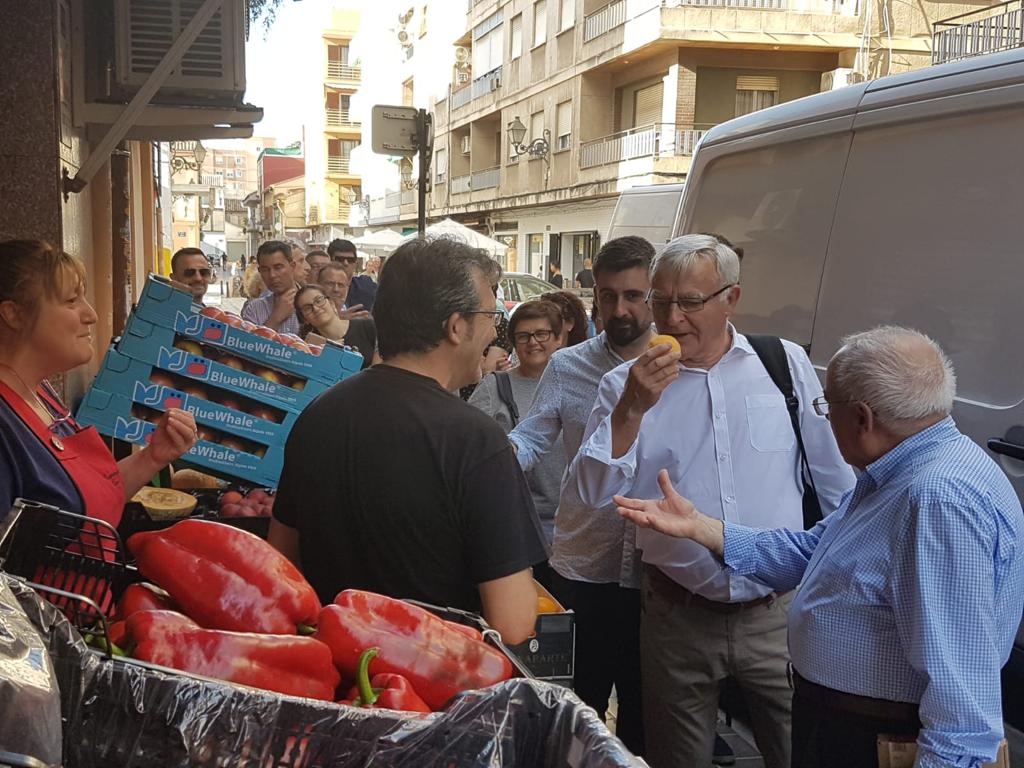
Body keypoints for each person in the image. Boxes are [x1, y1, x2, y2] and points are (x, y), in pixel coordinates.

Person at [615, 326, 1024, 768]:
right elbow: (814, 552)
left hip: (872, 737)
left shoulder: (936, 500)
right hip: (846, 724)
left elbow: (962, 712)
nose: (824, 418)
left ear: (863, 418)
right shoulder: (901, 470)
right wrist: (702, 527)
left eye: (827, 406)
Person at [569, 234, 855, 768]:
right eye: (661, 301)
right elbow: (591, 493)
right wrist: (631, 409)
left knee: (802, 752)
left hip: (779, 613)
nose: (671, 318)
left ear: (732, 298)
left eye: (690, 302)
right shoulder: (623, 385)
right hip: (677, 617)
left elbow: (835, 482)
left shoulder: (782, 364)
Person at [269, 236, 548, 645]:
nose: (494, 330)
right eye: (490, 315)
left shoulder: (318, 414)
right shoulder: (476, 440)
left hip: (331, 674)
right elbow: (514, 621)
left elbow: (280, 563)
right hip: (430, 692)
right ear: (456, 327)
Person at [507, 236, 657, 755]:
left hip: (655, 568)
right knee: (579, 709)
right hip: (583, 563)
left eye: (634, 295)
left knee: (644, 712)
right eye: (608, 295)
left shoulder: (679, 364)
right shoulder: (568, 366)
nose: (620, 309)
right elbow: (532, 435)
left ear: (654, 295)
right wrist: (495, 457)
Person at [0, 240, 198, 527]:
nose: (91, 315)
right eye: (71, 301)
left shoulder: (41, 393)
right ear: (13, 314)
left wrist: (153, 457)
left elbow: (89, 503)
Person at [468, 299, 565, 588]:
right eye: (523, 336)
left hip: (566, 524)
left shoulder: (574, 383)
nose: (533, 342)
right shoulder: (494, 386)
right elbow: (470, 446)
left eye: (541, 334)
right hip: (518, 522)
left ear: (559, 338)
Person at [294, 285, 376, 369]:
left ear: (332, 303)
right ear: (304, 319)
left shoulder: (368, 326)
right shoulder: (310, 347)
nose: (315, 308)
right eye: (307, 308)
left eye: (318, 300)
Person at [240, 241, 301, 334]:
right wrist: (275, 318)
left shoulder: (315, 304)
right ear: (259, 271)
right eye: (265, 270)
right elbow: (249, 345)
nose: (272, 275)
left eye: (278, 267)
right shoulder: (254, 309)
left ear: (292, 266)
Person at [327, 238, 377, 312]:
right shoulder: (320, 289)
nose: (345, 263)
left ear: (355, 264)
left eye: (350, 260)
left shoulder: (367, 287)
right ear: (329, 261)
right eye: (340, 259)